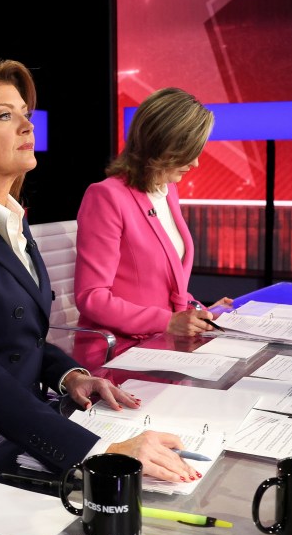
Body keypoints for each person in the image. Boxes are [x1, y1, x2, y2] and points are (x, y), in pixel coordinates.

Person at [0, 60, 200, 499]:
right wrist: (101, 450)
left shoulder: (10, 222)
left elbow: (20, 341)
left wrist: (70, 374)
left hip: (11, 430)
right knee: (120, 501)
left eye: (25, 115)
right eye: (4, 116)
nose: (25, 127)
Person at [74, 87, 233, 364]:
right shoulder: (106, 196)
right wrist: (168, 321)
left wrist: (198, 311)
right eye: (187, 153)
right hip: (120, 352)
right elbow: (92, 297)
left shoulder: (167, 190)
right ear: (161, 145)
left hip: (164, 345)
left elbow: (165, 286)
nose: (195, 163)